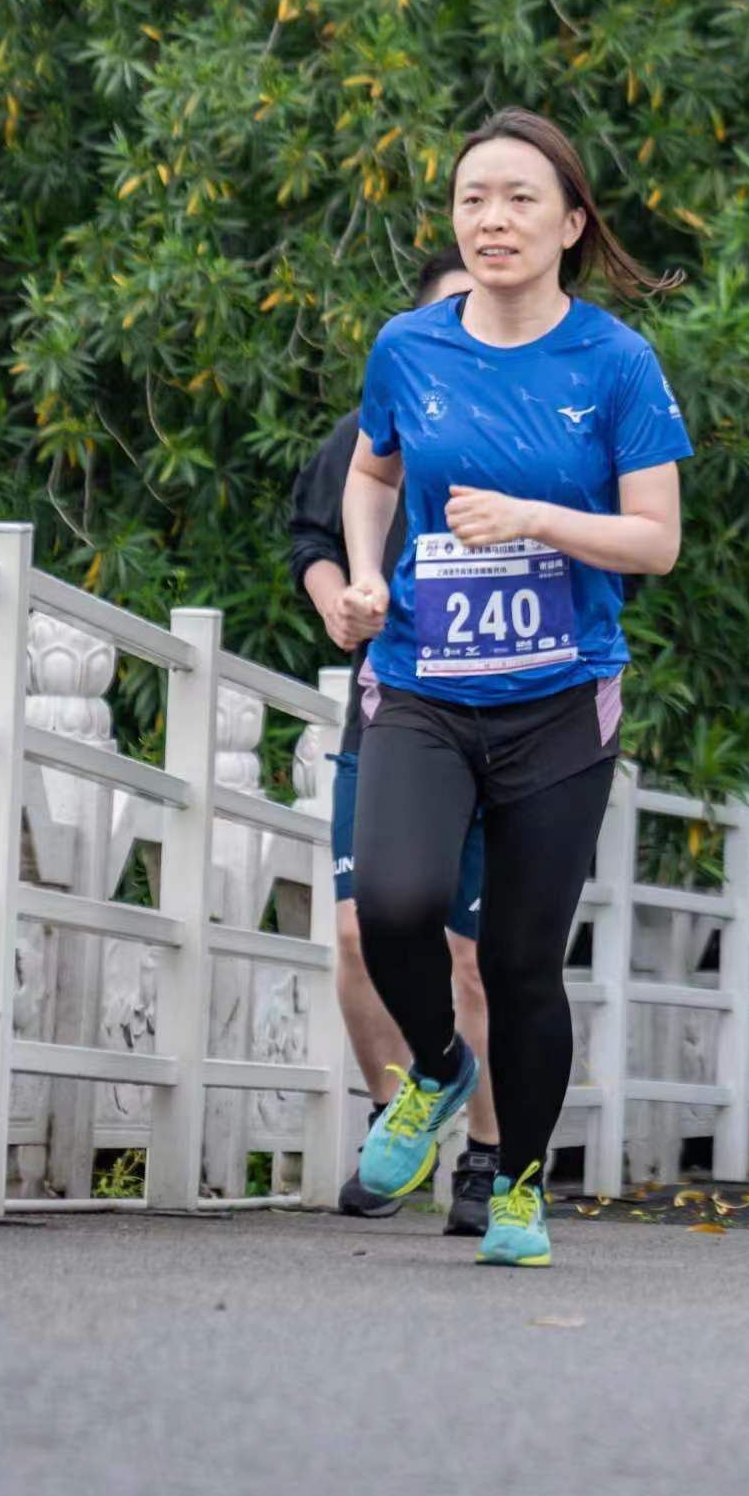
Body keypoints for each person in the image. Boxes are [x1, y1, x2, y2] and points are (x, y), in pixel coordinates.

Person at [338, 109, 691, 1267]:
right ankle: (437, 1072)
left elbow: (657, 542)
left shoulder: (616, 361)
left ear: (571, 222)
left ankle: (523, 1186)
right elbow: (372, 470)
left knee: (522, 962)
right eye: (472, 198)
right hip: (425, 679)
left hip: (559, 698)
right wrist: (361, 573)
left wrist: (538, 517)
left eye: (519, 198)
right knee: (393, 902)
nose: (491, 219)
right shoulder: (409, 346)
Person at [286, 250, 502, 1232]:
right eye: (449, 310)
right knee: (354, 934)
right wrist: (343, 606)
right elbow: (311, 540)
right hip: (386, 715)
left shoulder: (531, 434)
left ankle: (490, 1158)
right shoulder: (370, 428)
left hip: (504, 727)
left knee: (473, 958)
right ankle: (396, 1117)